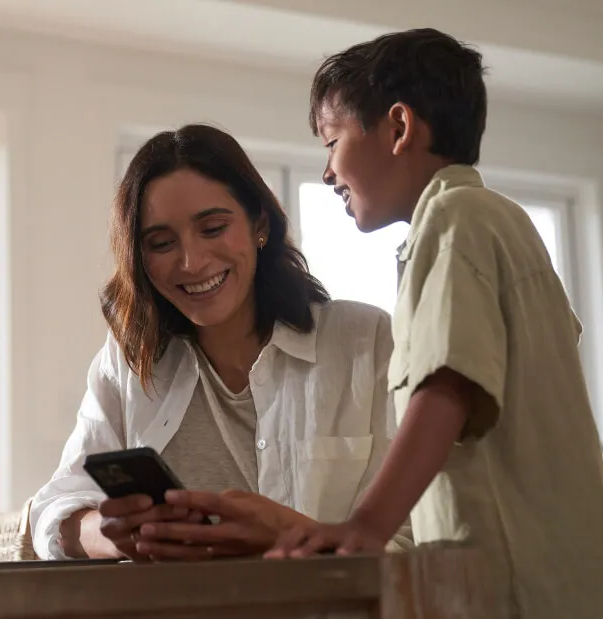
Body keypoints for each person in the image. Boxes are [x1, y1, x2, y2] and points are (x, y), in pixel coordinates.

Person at [256, 28, 603, 619]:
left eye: (332, 142)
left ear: (400, 128)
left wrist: (366, 526)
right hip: (567, 579)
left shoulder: (455, 218)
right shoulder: (498, 221)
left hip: (522, 586)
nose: (328, 172)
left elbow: (448, 384)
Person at [30, 124, 406, 562]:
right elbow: (51, 515)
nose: (192, 262)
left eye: (212, 228)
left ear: (259, 225)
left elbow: (415, 542)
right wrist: (114, 535)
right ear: (141, 259)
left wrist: (285, 536)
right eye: (162, 242)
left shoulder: (367, 340)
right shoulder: (129, 362)